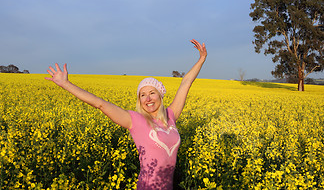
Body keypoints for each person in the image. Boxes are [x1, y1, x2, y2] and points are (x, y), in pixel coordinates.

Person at [45, 39, 207, 190]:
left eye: (152, 93)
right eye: (143, 95)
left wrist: (201, 58)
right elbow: (100, 103)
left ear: (160, 95)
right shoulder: (136, 121)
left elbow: (186, 82)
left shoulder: (171, 115)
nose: (148, 98)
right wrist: (66, 84)